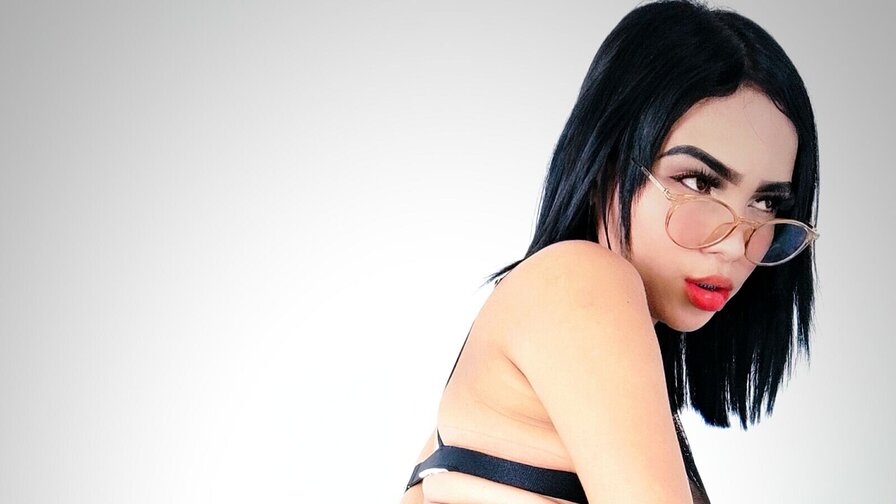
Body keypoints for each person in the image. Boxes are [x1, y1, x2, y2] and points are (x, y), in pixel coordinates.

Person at [400, 0, 820, 502]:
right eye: (698, 182)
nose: (735, 243)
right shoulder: (581, 278)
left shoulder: (548, 315)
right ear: (607, 167)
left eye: (766, 202)